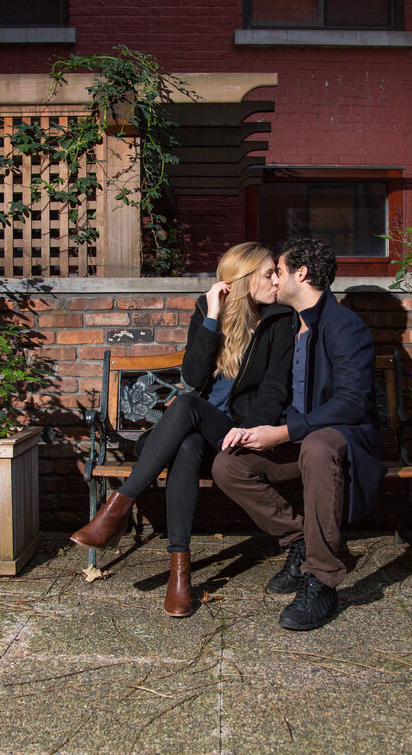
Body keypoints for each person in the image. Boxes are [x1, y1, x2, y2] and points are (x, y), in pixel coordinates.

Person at [70, 242, 295, 617]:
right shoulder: (208, 311)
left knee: (188, 406)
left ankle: (117, 510)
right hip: (192, 435)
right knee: (187, 446)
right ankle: (180, 575)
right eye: (269, 273)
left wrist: (253, 431)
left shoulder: (280, 321)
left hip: (235, 433)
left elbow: (274, 390)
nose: (277, 280)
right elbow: (193, 375)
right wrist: (212, 317)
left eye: (276, 272)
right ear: (243, 278)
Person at [211, 237, 383, 631]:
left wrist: (285, 431)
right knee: (228, 465)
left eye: (280, 271)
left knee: (320, 445)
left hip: (340, 440)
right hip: (295, 440)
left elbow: (352, 404)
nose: (275, 279)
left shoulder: (344, 326)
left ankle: (321, 579)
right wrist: (259, 430)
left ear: (301, 274)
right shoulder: (286, 325)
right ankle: (300, 539)